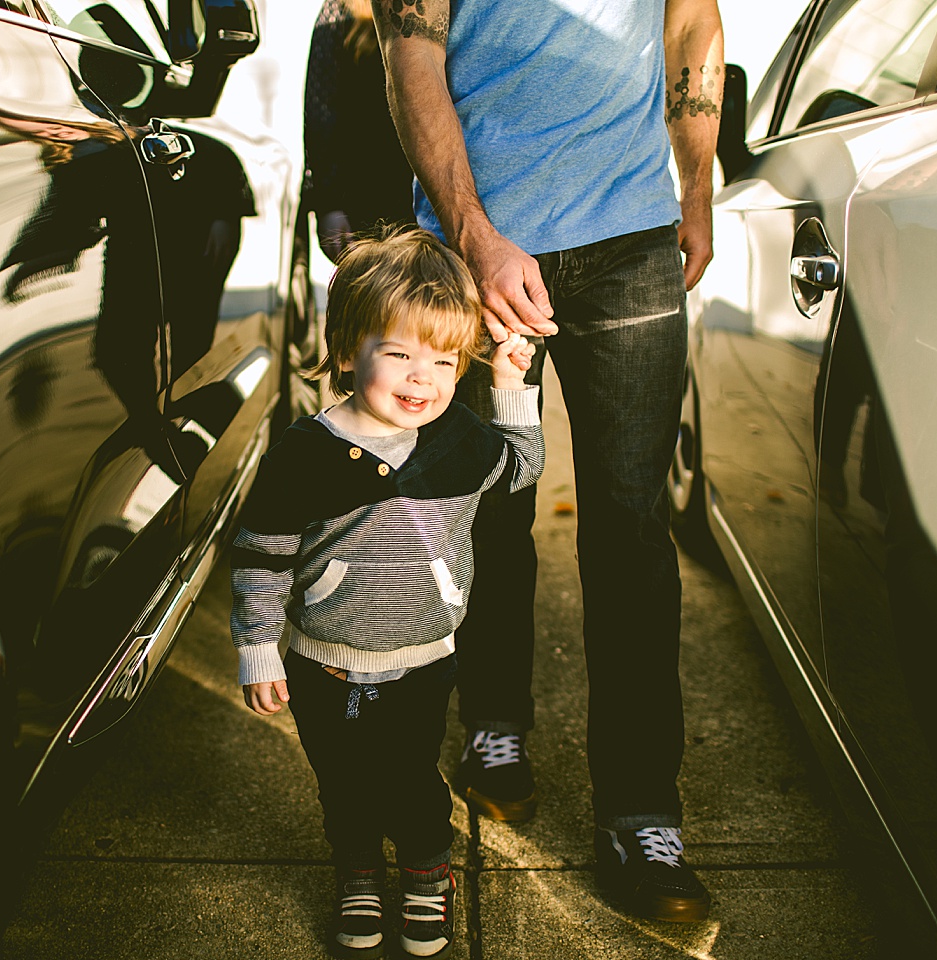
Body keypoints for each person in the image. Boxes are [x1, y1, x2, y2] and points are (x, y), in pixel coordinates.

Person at [371, 0, 725, 923]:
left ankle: (641, 812)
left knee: (632, 529)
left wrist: (696, 189)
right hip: (480, 240)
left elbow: (691, 29)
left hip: (633, 243)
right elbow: (411, 51)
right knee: (492, 505)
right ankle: (494, 729)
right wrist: (475, 235)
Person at [229, 227, 543, 958]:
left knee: (410, 778)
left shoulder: (461, 440)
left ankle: (428, 872)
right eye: (397, 353)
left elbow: (521, 468)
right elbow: (262, 555)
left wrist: (507, 385)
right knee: (341, 785)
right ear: (347, 353)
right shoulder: (305, 452)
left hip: (422, 661)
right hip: (319, 660)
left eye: (442, 359)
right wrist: (257, 646)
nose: (420, 378)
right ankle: (359, 872)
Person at [303, 0, 416, 261]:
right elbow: (322, 114)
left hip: (428, 187)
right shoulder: (341, 11)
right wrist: (329, 205)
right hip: (365, 190)